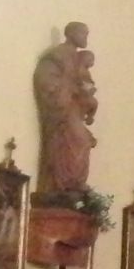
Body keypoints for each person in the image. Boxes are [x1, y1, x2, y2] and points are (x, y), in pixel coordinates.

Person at [32, 22, 97, 194]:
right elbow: (46, 80)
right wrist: (70, 89)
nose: (85, 38)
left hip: (74, 107)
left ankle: (74, 184)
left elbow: (85, 82)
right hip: (63, 108)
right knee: (76, 140)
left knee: (83, 141)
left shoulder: (80, 59)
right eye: (83, 34)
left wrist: (86, 90)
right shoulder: (57, 55)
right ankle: (61, 184)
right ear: (71, 34)